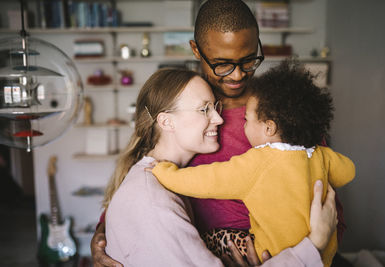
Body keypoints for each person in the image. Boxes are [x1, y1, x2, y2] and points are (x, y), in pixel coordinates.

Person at [91, 0, 345, 265]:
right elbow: (140, 189)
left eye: (248, 61)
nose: (237, 75)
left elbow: (329, 214)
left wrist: (285, 253)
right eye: (222, 64)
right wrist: (102, 239)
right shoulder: (185, 112)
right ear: (196, 50)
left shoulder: (285, 111)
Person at [101, 68, 335, 267]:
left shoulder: (157, 182)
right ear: (166, 121)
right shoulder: (152, 202)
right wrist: (314, 244)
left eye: (216, 107)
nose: (219, 119)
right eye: (204, 109)